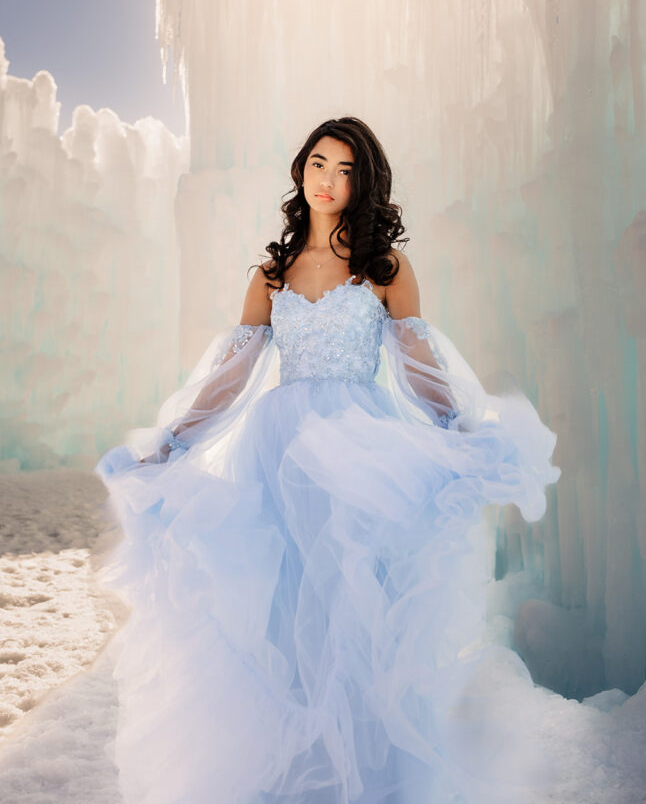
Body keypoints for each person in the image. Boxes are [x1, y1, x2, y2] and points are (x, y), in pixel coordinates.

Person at [94, 116, 560, 804]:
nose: (328, 181)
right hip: (276, 453)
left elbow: (419, 366)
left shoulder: (384, 268)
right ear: (300, 169)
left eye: (345, 170)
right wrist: (175, 440)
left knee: (351, 613)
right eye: (318, 163)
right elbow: (232, 376)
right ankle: (294, 776)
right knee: (283, 610)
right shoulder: (271, 273)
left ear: (363, 184)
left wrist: (462, 431)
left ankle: (364, 780)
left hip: (358, 452)